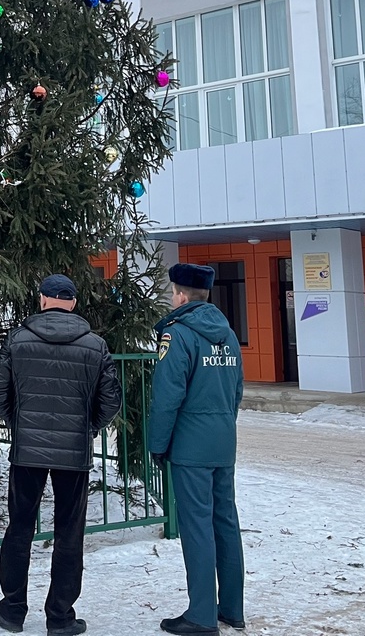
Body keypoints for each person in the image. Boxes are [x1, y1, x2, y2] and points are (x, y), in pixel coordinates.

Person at [0, 273, 122, 636]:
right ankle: (60, 617)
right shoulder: (95, 345)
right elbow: (111, 399)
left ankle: (12, 611)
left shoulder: (18, 339)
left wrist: (21, 422)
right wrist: (87, 427)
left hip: (27, 450)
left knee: (19, 528)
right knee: (69, 532)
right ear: (74, 303)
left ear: (43, 300)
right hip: (73, 453)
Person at [148, 263, 246, 635]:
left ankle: (202, 615)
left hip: (190, 445)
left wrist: (159, 445)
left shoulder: (178, 334)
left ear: (181, 295)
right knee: (226, 522)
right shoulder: (228, 333)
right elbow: (237, 390)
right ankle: (231, 608)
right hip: (223, 440)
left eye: (173, 292)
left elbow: (167, 397)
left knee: (197, 527)